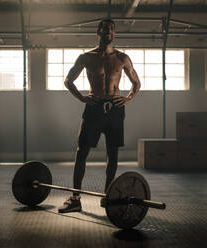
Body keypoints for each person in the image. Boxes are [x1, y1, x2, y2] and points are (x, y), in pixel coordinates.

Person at [58, 19, 141, 213]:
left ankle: (108, 195)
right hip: (94, 108)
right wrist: (81, 97)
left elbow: (136, 83)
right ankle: (75, 197)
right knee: (82, 152)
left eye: (111, 30)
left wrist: (127, 99)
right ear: (98, 32)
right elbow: (68, 80)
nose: (108, 33)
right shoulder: (86, 57)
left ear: (114, 33)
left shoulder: (122, 58)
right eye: (105, 30)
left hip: (115, 108)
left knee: (113, 154)